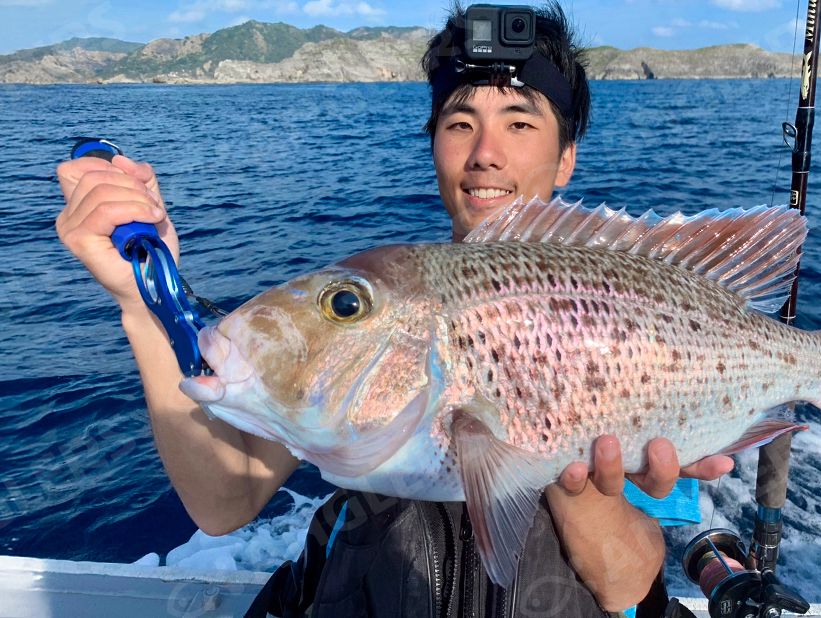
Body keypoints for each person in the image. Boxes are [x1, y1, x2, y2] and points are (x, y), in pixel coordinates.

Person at [55, 3, 732, 616]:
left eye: (520, 122)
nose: (484, 154)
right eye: (459, 121)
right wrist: (142, 301)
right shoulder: (388, 298)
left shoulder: (637, 310)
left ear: (566, 159)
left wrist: (565, 465)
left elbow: (626, 583)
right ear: (434, 141)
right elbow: (224, 502)